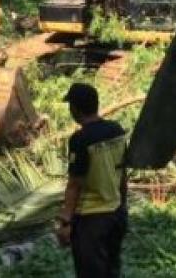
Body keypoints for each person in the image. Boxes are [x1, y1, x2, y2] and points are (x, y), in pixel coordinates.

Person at [56, 83, 127, 278]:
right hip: (116, 214)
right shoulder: (117, 131)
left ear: (75, 109)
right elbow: (122, 173)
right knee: (111, 270)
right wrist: (122, 206)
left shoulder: (80, 140)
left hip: (91, 220)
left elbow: (74, 184)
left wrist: (65, 222)